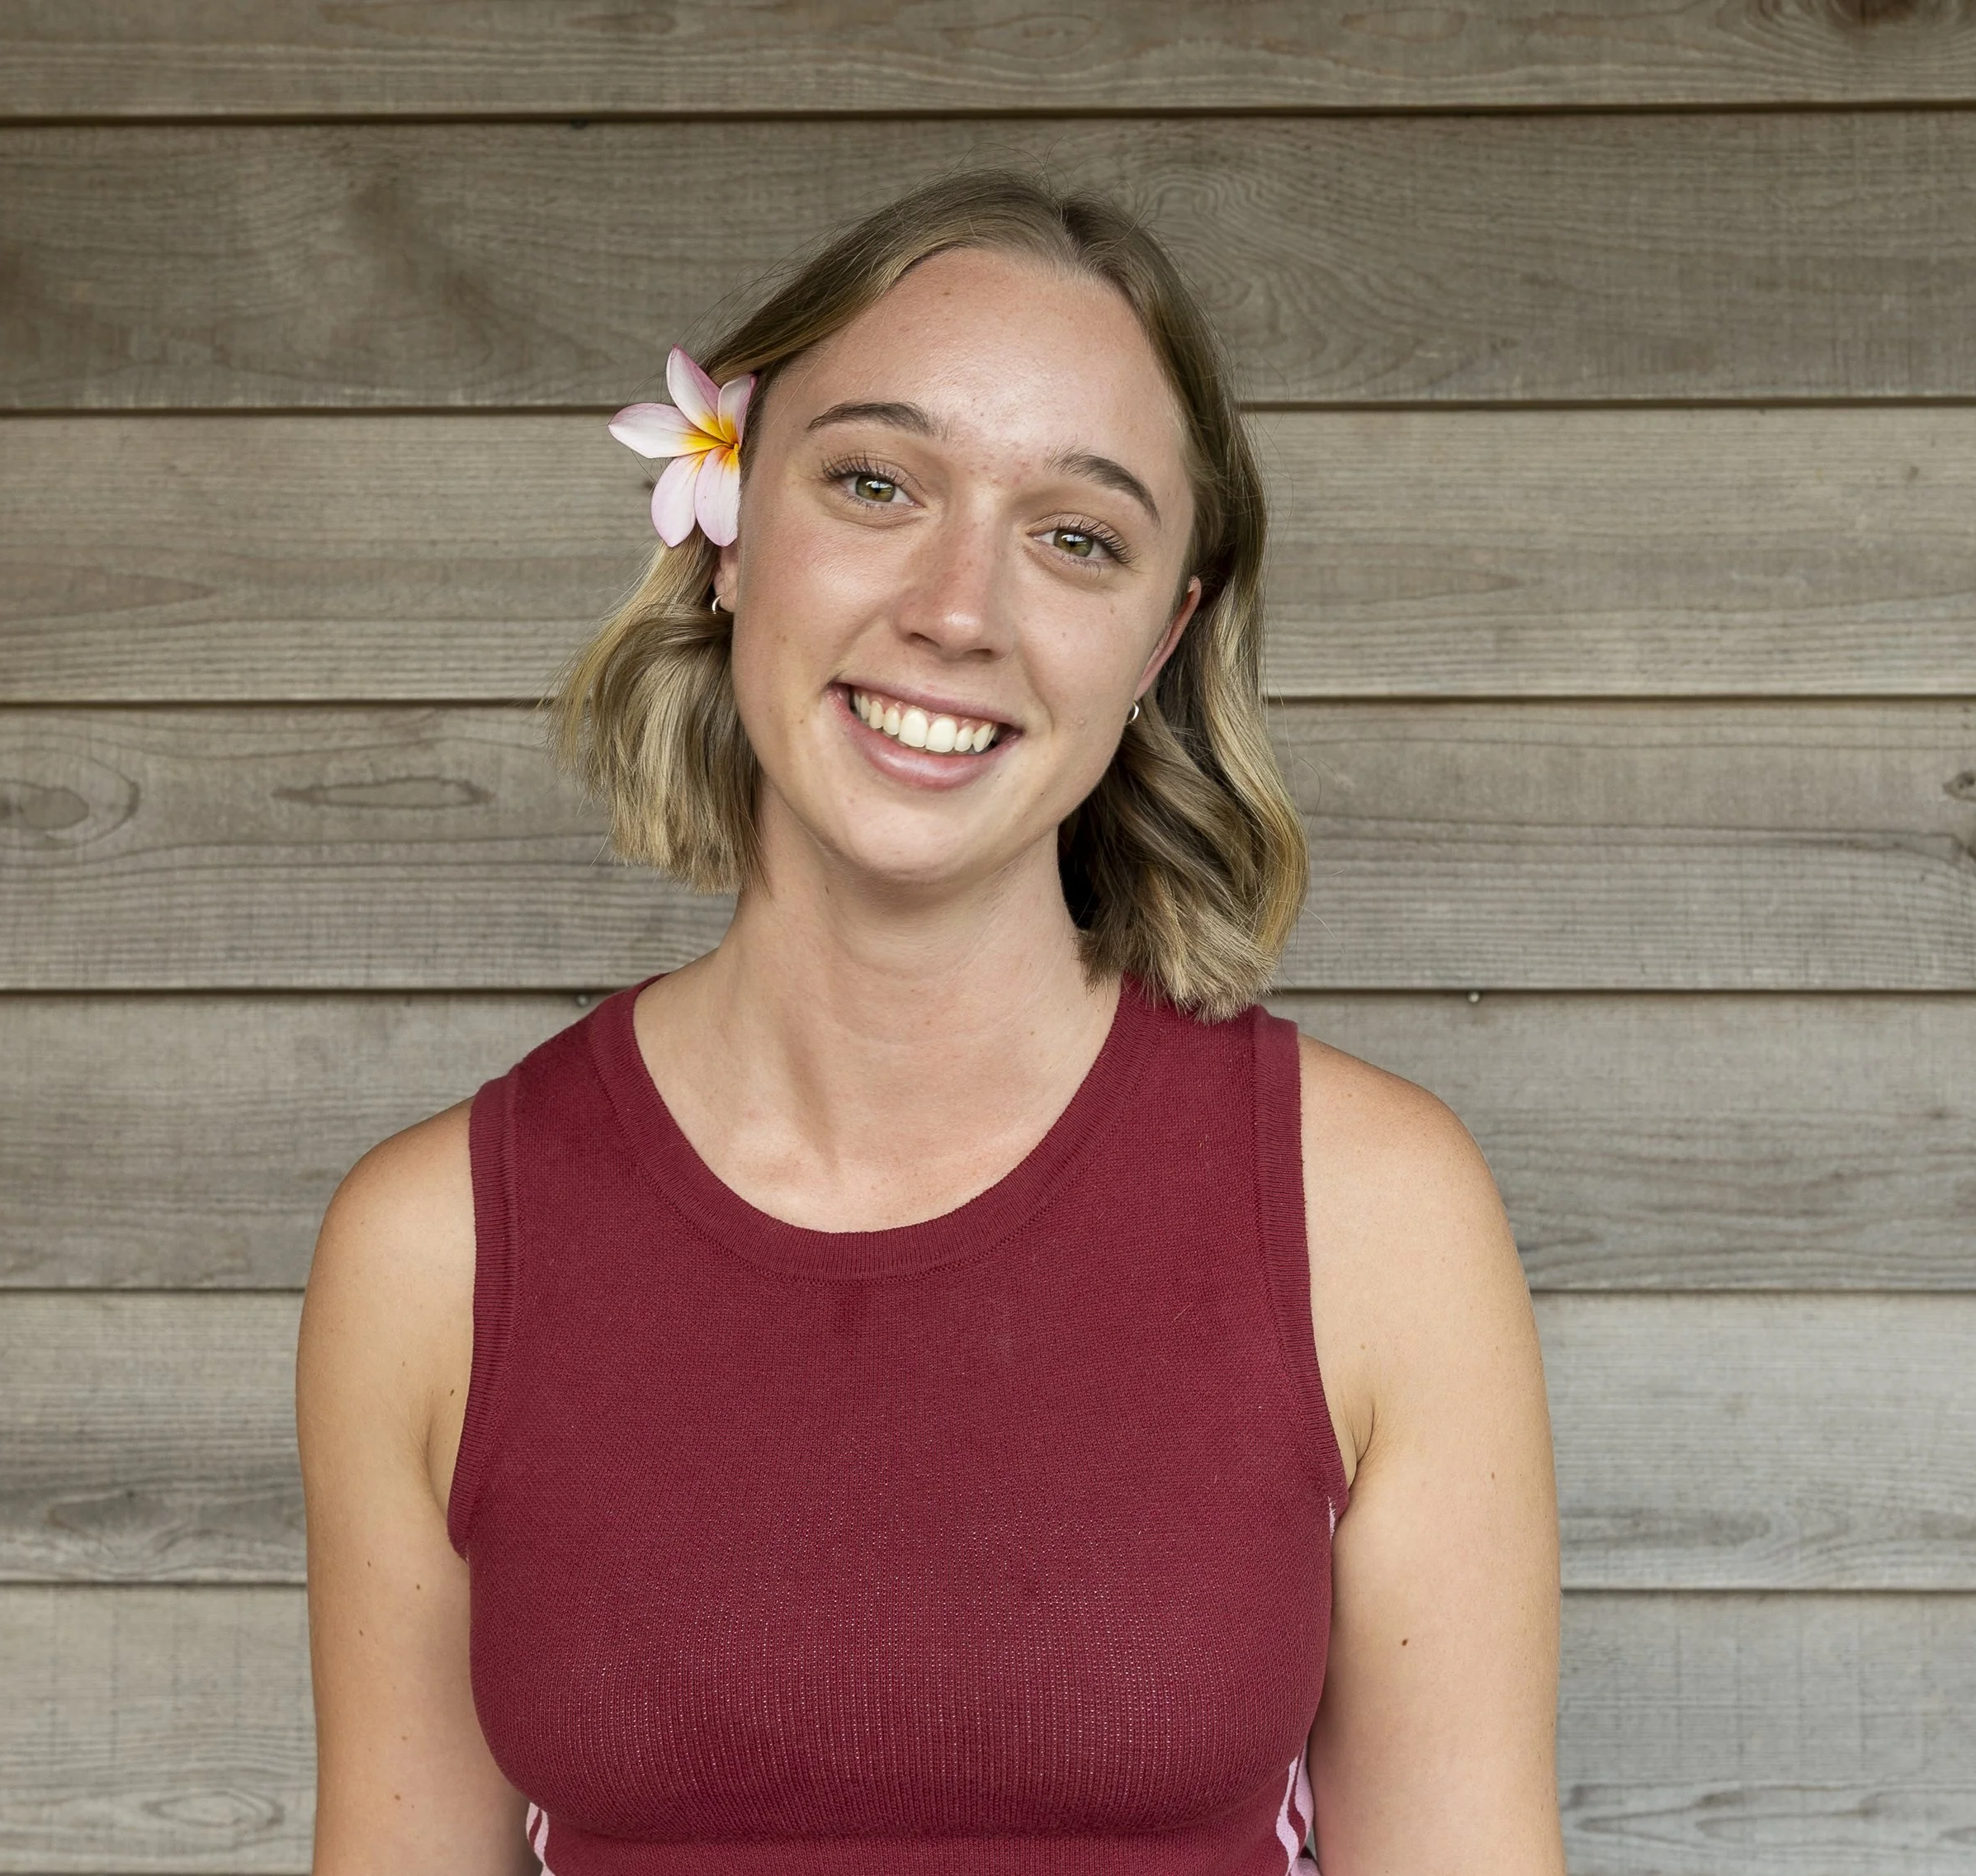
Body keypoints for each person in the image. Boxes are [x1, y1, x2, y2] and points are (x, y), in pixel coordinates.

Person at [296, 169, 1565, 1875]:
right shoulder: (432, 1244)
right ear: (729, 524)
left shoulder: (1377, 1211)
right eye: (876, 482)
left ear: (1160, 635)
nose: (957, 608)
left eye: (1075, 536)